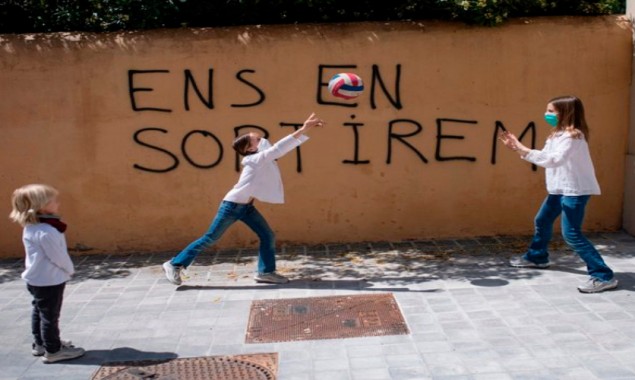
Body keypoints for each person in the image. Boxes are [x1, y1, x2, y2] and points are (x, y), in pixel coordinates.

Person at [163, 112, 325, 285]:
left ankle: (265, 273)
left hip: (246, 208)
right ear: (250, 148)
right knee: (210, 238)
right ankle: (174, 264)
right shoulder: (254, 159)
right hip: (232, 206)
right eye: (256, 139)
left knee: (267, 235)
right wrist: (303, 128)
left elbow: (276, 149)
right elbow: (278, 148)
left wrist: (303, 130)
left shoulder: (261, 157)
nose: (260, 138)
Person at [498, 96, 618, 293]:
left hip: (575, 191)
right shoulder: (556, 135)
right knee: (543, 220)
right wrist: (519, 149)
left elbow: (554, 160)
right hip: (559, 189)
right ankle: (537, 257)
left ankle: (603, 275)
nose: (547, 114)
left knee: (571, 234)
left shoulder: (574, 137)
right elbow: (545, 157)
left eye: (551, 111)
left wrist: (521, 148)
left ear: (566, 113)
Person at [9, 184, 85, 363]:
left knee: (40, 311)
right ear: (42, 206)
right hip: (50, 279)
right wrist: (70, 269)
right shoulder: (47, 231)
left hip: (36, 279)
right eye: (54, 201)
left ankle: (41, 343)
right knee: (50, 315)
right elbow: (57, 257)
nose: (58, 203)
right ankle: (53, 350)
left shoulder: (32, 227)